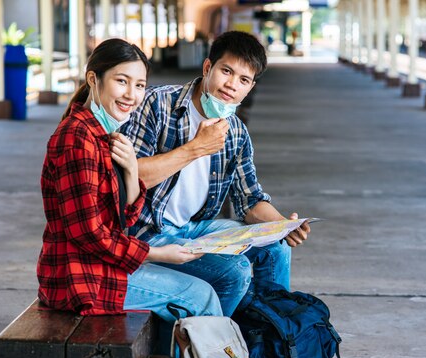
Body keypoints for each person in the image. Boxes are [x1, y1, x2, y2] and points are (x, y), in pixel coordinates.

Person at [120, 31, 311, 318]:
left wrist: (282, 225)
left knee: (276, 247)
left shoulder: (236, 132)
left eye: (244, 80)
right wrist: (195, 148)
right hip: (149, 234)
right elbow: (131, 178)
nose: (232, 85)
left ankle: (271, 338)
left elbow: (251, 201)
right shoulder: (157, 104)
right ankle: (209, 350)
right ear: (208, 68)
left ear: (250, 87)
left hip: (194, 229)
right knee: (235, 271)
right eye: (226, 71)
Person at [37, 38, 222, 321]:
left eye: (139, 85)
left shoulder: (105, 134)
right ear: (93, 79)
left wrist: (131, 171)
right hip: (82, 278)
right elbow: (89, 234)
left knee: (207, 285)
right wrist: (159, 254)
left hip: (102, 265)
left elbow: (122, 217)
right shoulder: (77, 139)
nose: (132, 96)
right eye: (121, 81)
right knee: (200, 295)